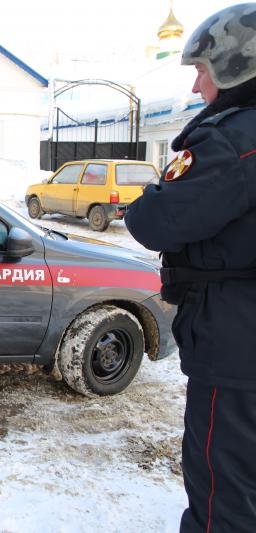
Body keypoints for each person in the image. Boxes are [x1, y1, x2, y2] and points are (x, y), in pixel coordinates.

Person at [125, 5, 256, 531]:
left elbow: (155, 221)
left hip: (237, 342)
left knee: (225, 480)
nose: (198, 86)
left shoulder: (231, 138)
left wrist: (147, 198)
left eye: (203, 70)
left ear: (238, 66)